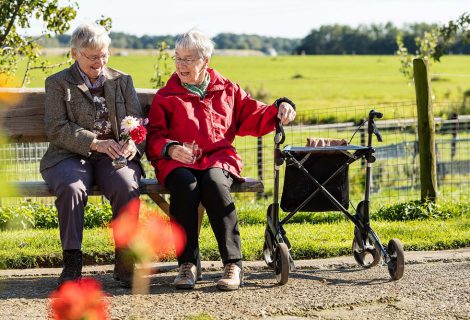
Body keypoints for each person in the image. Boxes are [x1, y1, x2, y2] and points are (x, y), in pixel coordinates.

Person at [146, 29, 296, 291]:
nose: (181, 65)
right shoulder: (166, 96)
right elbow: (154, 136)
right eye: (177, 58)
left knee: (215, 184)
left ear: (205, 61)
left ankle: (233, 264)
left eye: (189, 59)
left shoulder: (227, 89)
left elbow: (254, 116)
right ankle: (187, 264)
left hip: (218, 157)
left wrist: (280, 107)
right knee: (185, 185)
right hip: (180, 160)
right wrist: (169, 148)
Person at [40, 22, 145, 288]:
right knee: (72, 188)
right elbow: (56, 127)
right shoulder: (57, 83)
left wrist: (134, 144)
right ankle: (72, 262)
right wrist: (95, 142)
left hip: (114, 155)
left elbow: (137, 123)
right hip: (68, 154)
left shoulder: (122, 81)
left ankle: (125, 260)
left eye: (104, 55)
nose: (100, 62)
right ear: (75, 53)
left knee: (126, 185)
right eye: (92, 57)